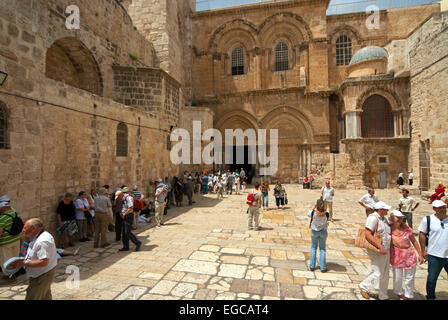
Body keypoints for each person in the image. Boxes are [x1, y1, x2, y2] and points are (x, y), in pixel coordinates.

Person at [10, 218, 57, 300]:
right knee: (45, 296)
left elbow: (44, 262)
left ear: (33, 229)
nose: (23, 230)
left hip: (41, 275)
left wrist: (24, 263)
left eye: (25, 227)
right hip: (43, 273)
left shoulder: (42, 241)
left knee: (32, 296)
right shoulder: (38, 236)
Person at [359, 202, 392, 300]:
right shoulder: (373, 218)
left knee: (385, 273)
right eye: (386, 209)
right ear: (380, 209)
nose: (387, 211)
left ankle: (383, 295)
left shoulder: (384, 219)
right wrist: (379, 246)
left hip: (386, 249)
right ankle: (364, 286)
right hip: (377, 250)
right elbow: (368, 233)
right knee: (378, 272)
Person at [389, 210, 423, 300]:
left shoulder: (406, 228)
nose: (400, 220)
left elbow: (414, 241)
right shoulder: (388, 229)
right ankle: (399, 293)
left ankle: (408, 295)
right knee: (397, 277)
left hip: (409, 255)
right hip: (396, 256)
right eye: (398, 217)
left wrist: (420, 254)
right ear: (392, 218)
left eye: (401, 218)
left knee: (410, 277)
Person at [418, 200, 448, 300]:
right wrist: (423, 251)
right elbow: (422, 234)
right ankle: (431, 297)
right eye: (439, 208)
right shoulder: (428, 220)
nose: (442, 209)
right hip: (434, 255)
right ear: (434, 209)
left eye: (443, 207)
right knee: (432, 279)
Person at [0, 201, 22, 275]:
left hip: (6, 243)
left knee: (6, 261)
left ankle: (9, 277)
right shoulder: (16, 214)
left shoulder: (2, 218)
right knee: (14, 259)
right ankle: (14, 274)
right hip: (16, 240)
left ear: (2, 209)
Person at [307, 199, 329, 272]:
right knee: (322, 249)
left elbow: (308, 214)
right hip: (323, 231)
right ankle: (322, 267)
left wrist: (314, 207)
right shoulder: (326, 214)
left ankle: (312, 266)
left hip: (314, 232)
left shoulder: (313, 213)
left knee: (313, 247)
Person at [119, 187, 142, 252]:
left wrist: (124, 214)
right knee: (124, 232)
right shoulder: (125, 198)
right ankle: (126, 246)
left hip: (128, 216)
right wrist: (122, 212)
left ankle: (137, 242)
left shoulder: (128, 198)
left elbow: (131, 208)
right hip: (126, 215)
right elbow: (124, 207)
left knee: (127, 232)